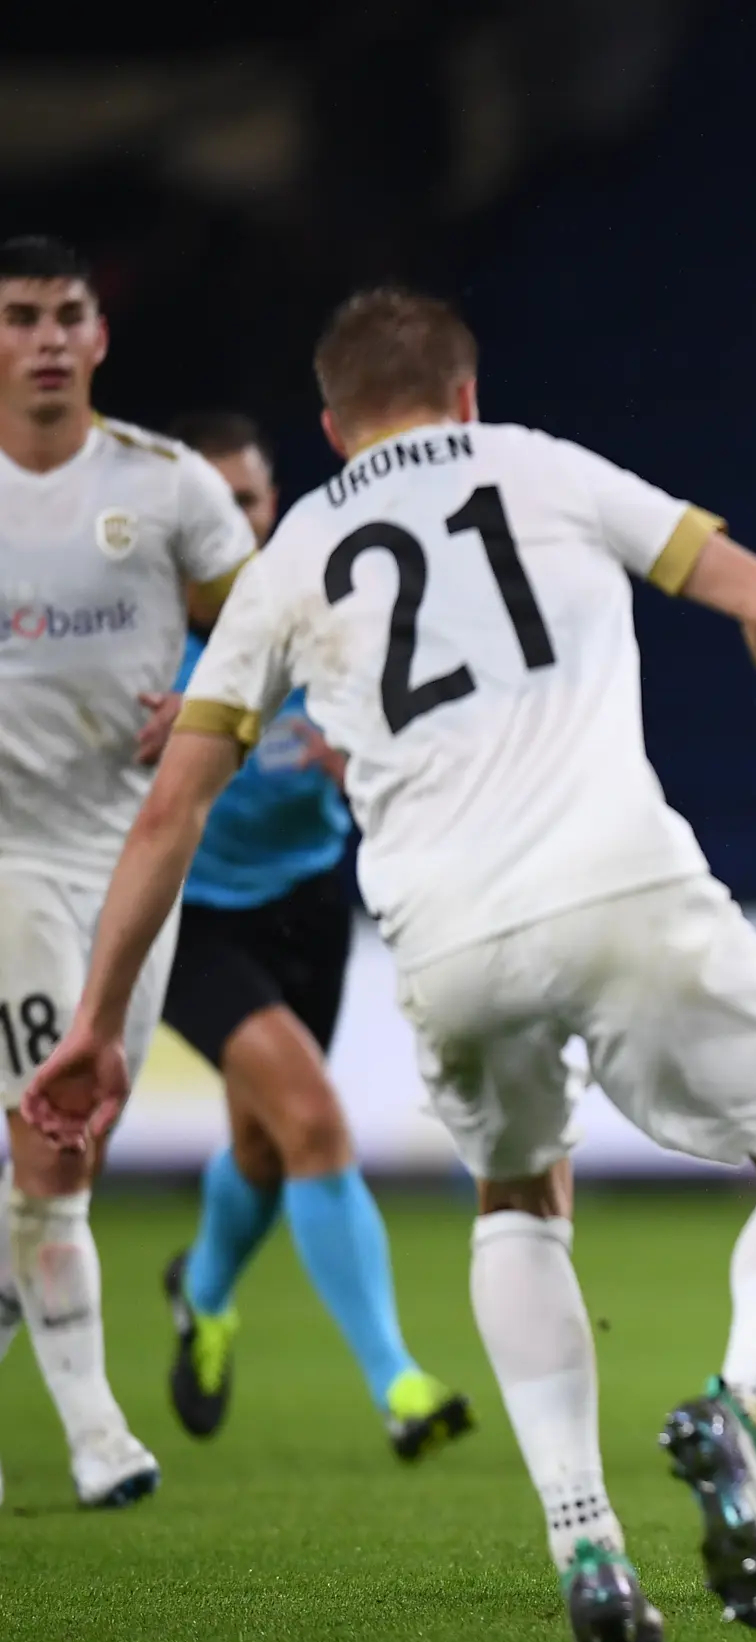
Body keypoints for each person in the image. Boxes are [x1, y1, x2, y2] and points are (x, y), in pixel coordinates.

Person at [23, 287, 756, 1642]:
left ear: (330, 428)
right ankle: (747, 1408)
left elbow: (168, 812)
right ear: (468, 395)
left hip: (446, 936)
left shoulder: (293, 552)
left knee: (518, 1197)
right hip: (620, 883)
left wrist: (98, 1027)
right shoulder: (546, 469)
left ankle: (585, 1541)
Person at [149, 409, 473, 1458]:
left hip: (307, 907)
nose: (231, 519)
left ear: (272, 504)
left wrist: (367, 756)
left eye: (245, 498)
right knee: (316, 1123)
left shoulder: (326, 611)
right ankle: (398, 1383)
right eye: (209, 501)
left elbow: (425, 735)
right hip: (191, 920)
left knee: (264, 1139)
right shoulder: (136, 638)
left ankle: (201, 1292)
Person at [0, 235, 259, 1510]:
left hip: (135, 865)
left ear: (101, 336)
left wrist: (208, 696)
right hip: (9, 860)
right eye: (20, 317)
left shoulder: (167, 487)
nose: (46, 339)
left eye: (67, 315)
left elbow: (265, 625)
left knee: (66, 1152)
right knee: (49, 1139)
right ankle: (100, 1435)